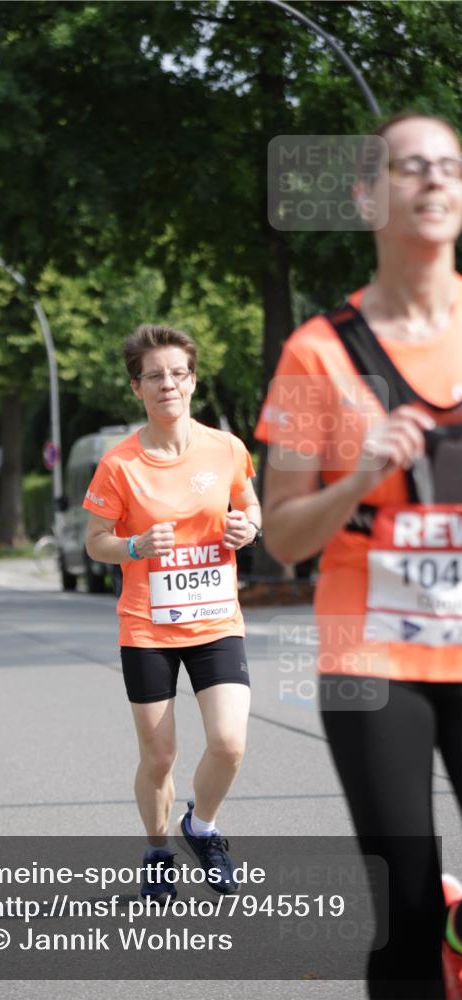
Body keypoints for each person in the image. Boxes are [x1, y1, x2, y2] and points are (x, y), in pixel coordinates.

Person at [255, 112, 462, 998]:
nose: (433, 182)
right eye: (409, 167)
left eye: (448, 166)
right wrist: (359, 475)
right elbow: (282, 535)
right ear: (366, 196)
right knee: (407, 903)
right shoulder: (315, 352)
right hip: (371, 654)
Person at [84, 324, 261, 900]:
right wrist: (134, 547)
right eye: (155, 376)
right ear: (137, 387)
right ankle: (158, 850)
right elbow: (95, 542)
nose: (168, 385)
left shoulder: (227, 448)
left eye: (178, 373)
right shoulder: (119, 465)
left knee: (230, 742)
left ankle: (202, 827)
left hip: (215, 619)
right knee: (159, 757)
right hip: (147, 627)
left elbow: (249, 502)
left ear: (193, 380)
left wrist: (248, 527)